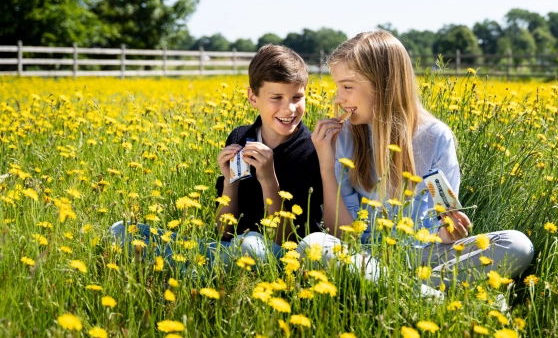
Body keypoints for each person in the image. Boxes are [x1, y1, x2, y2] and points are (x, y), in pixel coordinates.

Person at [298, 30, 534, 294]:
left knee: (517, 244)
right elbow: (340, 234)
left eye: (347, 87)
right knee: (314, 244)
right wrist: (326, 165)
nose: (338, 98)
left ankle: (404, 292)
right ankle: (432, 297)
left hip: (425, 255)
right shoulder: (343, 138)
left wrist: (450, 232)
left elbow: (444, 220)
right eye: (338, 87)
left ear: (383, 84)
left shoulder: (435, 137)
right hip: (366, 257)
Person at [109, 44, 324, 272]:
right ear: (253, 97)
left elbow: (284, 240)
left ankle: (188, 271)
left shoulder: (310, 150)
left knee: (250, 245)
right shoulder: (240, 137)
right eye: (276, 97)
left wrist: (269, 180)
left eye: (297, 97)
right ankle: (197, 267)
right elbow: (224, 232)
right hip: (228, 247)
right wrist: (229, 181)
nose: (289, 109)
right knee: (120, 230)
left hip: (274, 256)